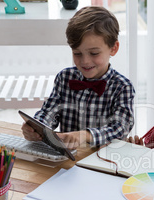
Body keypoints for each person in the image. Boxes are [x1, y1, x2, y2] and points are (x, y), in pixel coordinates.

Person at [21, 6, 135, 149]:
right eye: (77, 53)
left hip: (103, 160)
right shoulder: (65, 77)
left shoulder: (122, 86)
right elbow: (50, 112)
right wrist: (36, 127)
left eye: (94, 53)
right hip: (66, 158)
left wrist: (85, 135)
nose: (85, 61)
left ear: (113, 48)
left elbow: (121, 127)